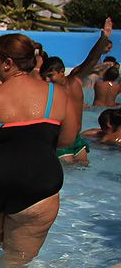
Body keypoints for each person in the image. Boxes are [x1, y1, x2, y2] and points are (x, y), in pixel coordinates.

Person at [0, 33, 78, 264]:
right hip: (38, 183)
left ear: (7, 63)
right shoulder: (59, 95)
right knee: (17, 259)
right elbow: (67, 140)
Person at [41, 20, 111, 165]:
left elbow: (91, 60)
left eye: (50, 75)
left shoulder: (75, 80)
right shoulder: (48, 90)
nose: (47, 80)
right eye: (45, 77)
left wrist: (103, 38)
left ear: (62, 72)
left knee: (83, 172)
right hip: (61, 140)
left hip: (77, 139)